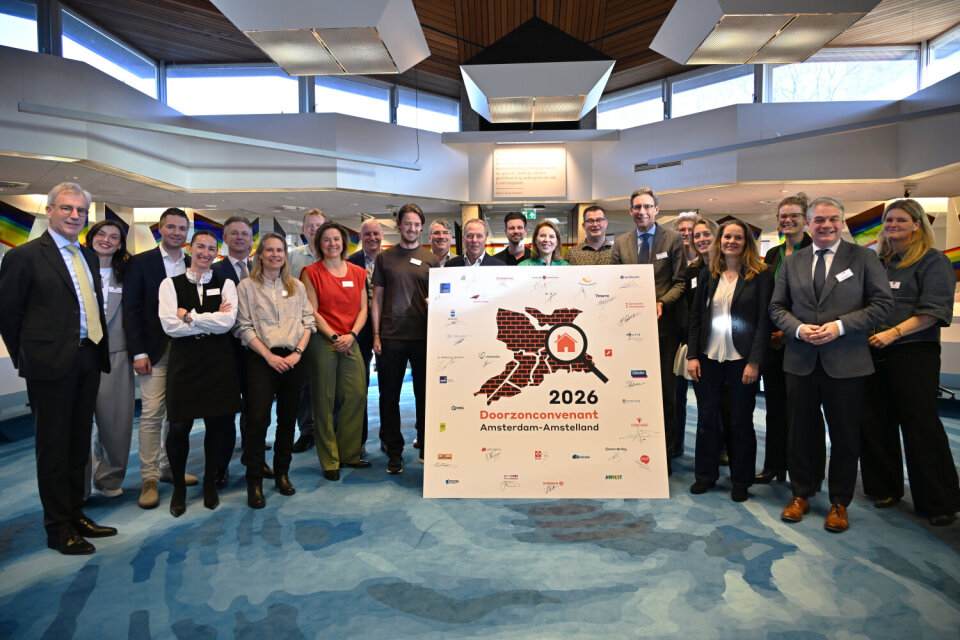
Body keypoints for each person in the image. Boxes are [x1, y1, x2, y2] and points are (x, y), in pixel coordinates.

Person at [0, 182, 116, 555]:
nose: (74, 215)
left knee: (78, 443)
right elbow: (8, 315)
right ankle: (57, 527)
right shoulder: (24, 256)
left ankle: (75, 514)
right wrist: (28, 359)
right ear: (49, 210)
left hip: (88, 358)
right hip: (49, 366)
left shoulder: (87, 255)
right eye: (66, 208)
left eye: (81, 210)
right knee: (52, 448)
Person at [769, 196, 893, 533]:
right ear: (808, 224)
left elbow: (883, 305)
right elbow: (777, 307)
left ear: (841, 222)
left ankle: (840, 501)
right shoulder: (793, 262)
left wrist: (840, 326)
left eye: (833, 219)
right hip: (800, 359)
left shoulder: (864, 258)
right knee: (799, 433)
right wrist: (797, 329)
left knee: (845, 435)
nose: (826, 225)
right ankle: (801, 493)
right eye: (819, 220)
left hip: (847, 361)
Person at [860, 199, 960, 526]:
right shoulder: (878, 262)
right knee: (875, 422)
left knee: (920, 425)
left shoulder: (933, 261)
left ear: (917, 224)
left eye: (901, 220)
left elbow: (934, 311)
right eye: (889, 220)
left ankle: (938, 501)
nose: (893, 225)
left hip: (913, 352)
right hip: (873, 351)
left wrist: (894, 333)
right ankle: (884, 488)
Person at [686, 220, 773, 502]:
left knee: (740, 422)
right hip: (709, 357)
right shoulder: (709, 273)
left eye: (738, 237)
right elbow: (696, 318)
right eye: (727, 237)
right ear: (719, 241)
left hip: (742, 360)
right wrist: (692, 355)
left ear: (746, 242)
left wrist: (755, 362)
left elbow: (764, 322)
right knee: (706, 420)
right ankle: (705, 475)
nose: (731, 242)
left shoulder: (761, 275)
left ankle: (741, 481)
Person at [159, 230, 241, 517]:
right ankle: (179, 489)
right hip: (185, 363)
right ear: (190, 249)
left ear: (217, 252)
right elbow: (169, 326)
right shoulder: (169, 284)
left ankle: (209, 482)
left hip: (218, 361)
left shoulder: (226, 283)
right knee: (178, 427)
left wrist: (189, 316)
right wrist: (209, 319)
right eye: (200, 247)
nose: (206, 253)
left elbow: (227, 323)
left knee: (216, 425)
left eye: (211, 248)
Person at [123, 207, 196, 509]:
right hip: (153, 352)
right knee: (153, 414)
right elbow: (131, 310)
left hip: (187, 352)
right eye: (171, 227)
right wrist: (138, 352)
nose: (177, 233)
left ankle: (169, 468)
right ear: (160, 229)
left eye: (182, 228)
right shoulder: (141, 263)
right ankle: (149, 478)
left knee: (178, 414)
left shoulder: (193, 264)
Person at [610, 187, 687, 473]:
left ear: (656, 209)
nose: (642, 212)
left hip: (664, 329)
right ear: (631, 211)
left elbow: (680, 281)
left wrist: (661, 303)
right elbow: (614, 283)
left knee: (665, 393)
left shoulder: (673, 238)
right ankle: (631, 449)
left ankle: (664, 455)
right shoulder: (621, 243)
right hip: (629, 332)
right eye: (637, 207)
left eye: (647, 206)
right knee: (630, 390)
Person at [235, 233, 315, 507]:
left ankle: (282, 473)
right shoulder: (246, 287)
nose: (275, 255)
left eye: (280, 250)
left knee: (288, 419)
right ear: (260, 255)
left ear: (285, 255)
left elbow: (308, 323)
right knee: (258, 420)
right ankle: (254, 480)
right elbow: (243, 327)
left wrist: (297, 353)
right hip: (261, 358)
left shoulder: (297, 287)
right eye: (269, 250)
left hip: (293, 359)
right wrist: (269, 356)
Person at [757, 194, 825, 485]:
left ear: (806, 219)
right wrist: (771, 334)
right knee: (775, 407)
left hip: (803, 341)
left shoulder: (816, 250)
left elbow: (817, 300)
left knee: (805, 410)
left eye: (794, 215)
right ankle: (775, 465)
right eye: (783, 216)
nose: (787, 220)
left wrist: (788, 332)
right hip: (773, 343)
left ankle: (808, 473)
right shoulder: (773, 254)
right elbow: (768, 297)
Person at [371, 203, 440, 474]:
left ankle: (425, 444)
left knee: (426, 396)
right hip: (391, 337)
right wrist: (376, 334)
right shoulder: (384, 258)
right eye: (407, 223)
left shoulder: (431, 259)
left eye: (416, 224)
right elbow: (377, 299)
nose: (412, 228)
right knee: (389, 397)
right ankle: (394, 452)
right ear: (399, 225)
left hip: (424, 337)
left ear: (421, 228)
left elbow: (439, 299)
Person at [303, 222, 371, 479]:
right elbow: (312, 310)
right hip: (323, 340)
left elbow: (364, 309)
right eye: (326, 239)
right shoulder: (311, 272)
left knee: (356, 395)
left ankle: (349, 453)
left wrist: (351, 335)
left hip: (350, 338)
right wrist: (333, 336)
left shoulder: (358, 272)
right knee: (324, 399)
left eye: (336, 239)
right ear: (319, 244)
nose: (332, 243)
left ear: (344, 243)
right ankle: (329, 460)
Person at [211, 216, 272, 489]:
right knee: (223, 412)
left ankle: (255, 460)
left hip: (257, 352)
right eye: (234, 233)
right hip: (224, 352)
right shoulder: (214, 271)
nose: (239, 238)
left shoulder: (262, 271)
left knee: (256, 411)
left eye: (245, 234)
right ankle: (220, 466)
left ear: (251, 240)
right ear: (225, 238)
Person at [84, 220, 134, 499]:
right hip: (78, 353)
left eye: (114, 236)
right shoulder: (75, 269)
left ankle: (109, 478)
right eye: (101, 234)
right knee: (76, 426)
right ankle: (77, 488)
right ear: (90, 237)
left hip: (116, 352)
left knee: (115, 422)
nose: (106, 239)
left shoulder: (127, 273)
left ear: (120, 244)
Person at [289, 209, 326, 454]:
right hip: (301, 329)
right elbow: (284, 289)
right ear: (303, 230)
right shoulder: (292, 257)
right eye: (310, 226)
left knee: (326, 382)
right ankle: (306, 431)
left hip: (329, 328)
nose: (314, 229)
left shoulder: (334, 254)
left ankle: (328, 429)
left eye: (318, 225)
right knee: (303, 384)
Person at [347, 218, 384, 454]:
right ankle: (358, 440)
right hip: (358, 330)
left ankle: (387, 437)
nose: (372, 238)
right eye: (367, 234)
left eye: (376, 233)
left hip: (386, 329)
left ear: (382, 236)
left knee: (387, 386)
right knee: (359, 387)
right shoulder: (350, 262)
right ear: (360, 237)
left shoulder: (390, 260)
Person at [671, 211, 700, 456]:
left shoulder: (707, 262)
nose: (686, 234)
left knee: (708, 397)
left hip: (703, 336)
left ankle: (716, 448)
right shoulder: (673, 261)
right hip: (677, 334)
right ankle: (676, 443)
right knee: (676, 394)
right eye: (681, 230)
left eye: (691, 230)